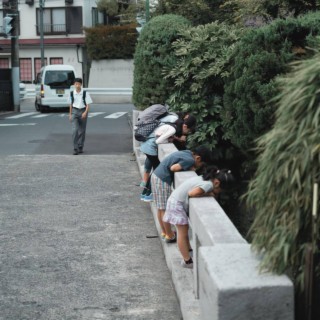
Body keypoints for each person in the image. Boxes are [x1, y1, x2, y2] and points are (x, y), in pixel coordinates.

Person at [163, 167, 235, 268]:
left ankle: (189, 251)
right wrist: (209, 193)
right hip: (177, 205)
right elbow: (192, 193)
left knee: (184, 230)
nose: (219, 192)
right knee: (182, 233)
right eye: (220, 190)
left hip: (176, 201)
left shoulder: (205, 178)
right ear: (217, 183)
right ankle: (187, 261)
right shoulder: (208, 185)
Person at [151, 145, 212, 243]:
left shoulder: (187, 153)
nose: (200, 166)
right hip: (162, 180)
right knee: (164, 209)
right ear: (198, 158)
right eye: (201, 163)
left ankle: (164, 232)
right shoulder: (190, 160)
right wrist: (189, 167)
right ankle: (169, 235)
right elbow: (173, 168)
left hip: (156, 175)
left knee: (160, 207)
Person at [140, 115, 197, 201]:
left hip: (147, 145)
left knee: (155, 170)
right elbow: (158, 141)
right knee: (156, 170)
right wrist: (169, 140)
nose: (186, 133)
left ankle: (145, 193)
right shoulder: (173, 129)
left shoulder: (174, 126)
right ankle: (148, 194)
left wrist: (172, 138)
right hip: (150, 147)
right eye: (188, 131)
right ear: (185, 126)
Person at [69, 78, 92, 155]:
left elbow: (88, 105)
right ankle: (75, 148)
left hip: (83, 111)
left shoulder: (85, 93)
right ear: (74, 84)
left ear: (81, 84)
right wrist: (70, 114)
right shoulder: (72, 93)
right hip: (75, 112)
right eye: (76, 84)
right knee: (75, 130)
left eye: (79, 84)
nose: (77, 85)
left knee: (82, 131)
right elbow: (70, 105)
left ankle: (80, 146)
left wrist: (85, 112)